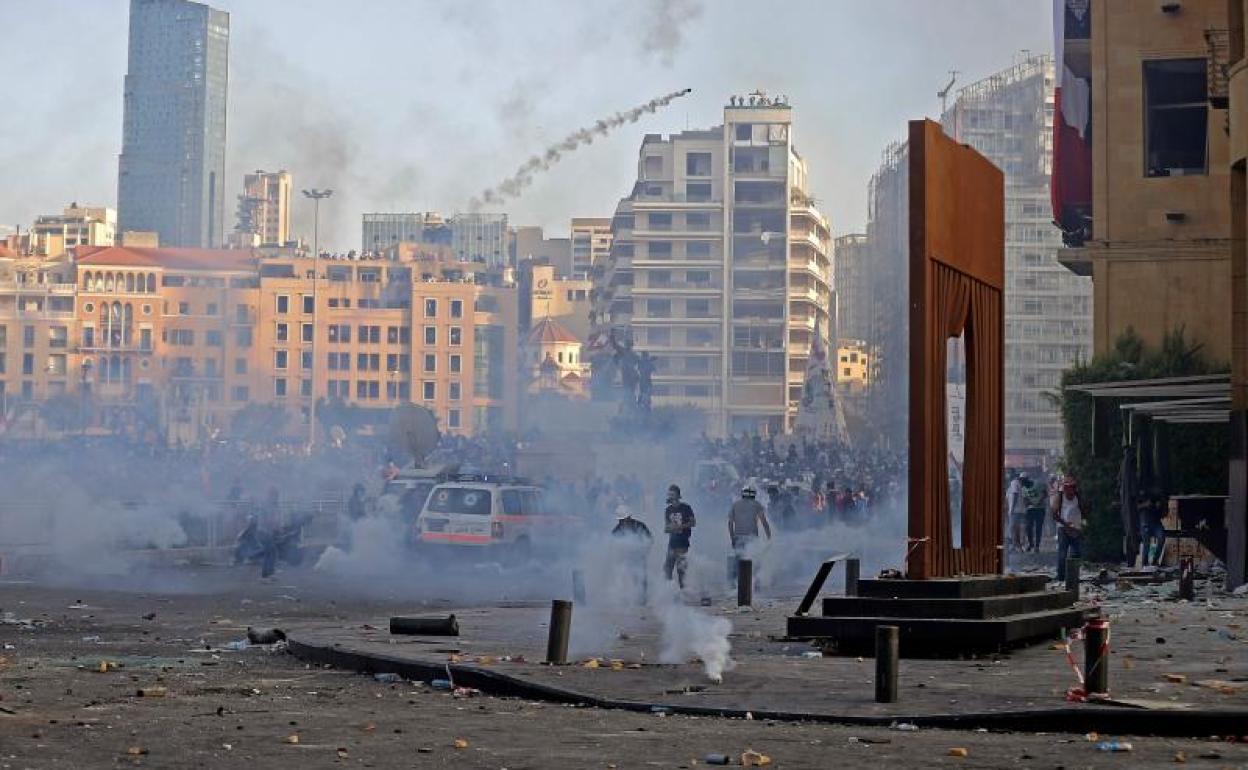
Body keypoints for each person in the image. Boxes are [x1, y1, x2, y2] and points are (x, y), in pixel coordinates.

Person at [728, 485, 772, 582]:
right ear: (753, 495)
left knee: (738, 560)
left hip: (738, 537)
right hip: (752, 538)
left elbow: (730, 523)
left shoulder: (735, 505)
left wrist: (732, 538)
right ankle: (753, 582)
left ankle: (735, 583)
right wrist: (769, 536)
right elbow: (764, 522)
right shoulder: (757, 504)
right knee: (754, 559)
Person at [611, 504, 653, 604]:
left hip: (639, 556)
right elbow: (612, 543)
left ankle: (642, 600)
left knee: (640, 577)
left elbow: (650, 539)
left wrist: (644, 549)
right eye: (620, 520)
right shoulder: (617, 530)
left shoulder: (640, 526)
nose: (621, 522)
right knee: (624, 577)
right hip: (625, 557)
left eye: (623, 520)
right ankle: (626, 598)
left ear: (629, 517)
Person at [662, 484, 696, 589]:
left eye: (672, 494)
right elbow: (666, 528)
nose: (670, 496)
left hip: (683, 542)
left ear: (678, 495)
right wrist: (670, 529)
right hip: (672, 543)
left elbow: (693, 522)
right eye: (669, 494)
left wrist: (680, 527)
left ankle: (683, 590)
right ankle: (669, 590)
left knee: (681, 569)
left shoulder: (686, 508)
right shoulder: (668, 510)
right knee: (667, 568)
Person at [1053, 476, 1084, 582]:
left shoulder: (1078, 497)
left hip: (1076, 530)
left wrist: (1081, 525)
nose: (1071, 490)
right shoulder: (1060, 497)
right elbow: (1054, 514)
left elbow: (1084, 510)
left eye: (1073, 487)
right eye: (1068, 488)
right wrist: (1065, 524)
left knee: (1076, 553)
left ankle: (1072, 576)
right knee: (1062, 554)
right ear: (1065, 488)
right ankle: (1061, 577)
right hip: (1063, 529)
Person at [1138, 488, 1167, 567]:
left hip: (1156, 522)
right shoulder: (1141, 492)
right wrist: (1145, 504)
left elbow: (1164, 512)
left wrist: (1160, 506)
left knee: (1162, 537)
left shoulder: (1158, 493)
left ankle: (1155, 560)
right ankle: (1145, 563)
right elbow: (1134, 507)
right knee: (1146, 543)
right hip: (1145, 522)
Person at [1023, 474, 1048, 552]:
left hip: (1040, 509)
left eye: (1024, 481)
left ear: (1028, 480)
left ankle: (1037, 546)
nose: (1023, 484)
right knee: (1028, 527)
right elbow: (1025, 499)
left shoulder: (1038, 484)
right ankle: (1031, 544)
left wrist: (1039, 501)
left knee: (1038, 527)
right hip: (1030, 509)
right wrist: (1029, 503)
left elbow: (1045, 494)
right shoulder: (1023, 488)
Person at [1005, 472, 1027, 553]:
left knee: (1013, 529)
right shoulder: (1020, 485)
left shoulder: (1014, 482)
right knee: (1018, 529)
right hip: (1020, 510)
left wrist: (1011, 509)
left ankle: (1016, 546)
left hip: (1015, 511)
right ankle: (1019, 546)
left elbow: (1015, 495)